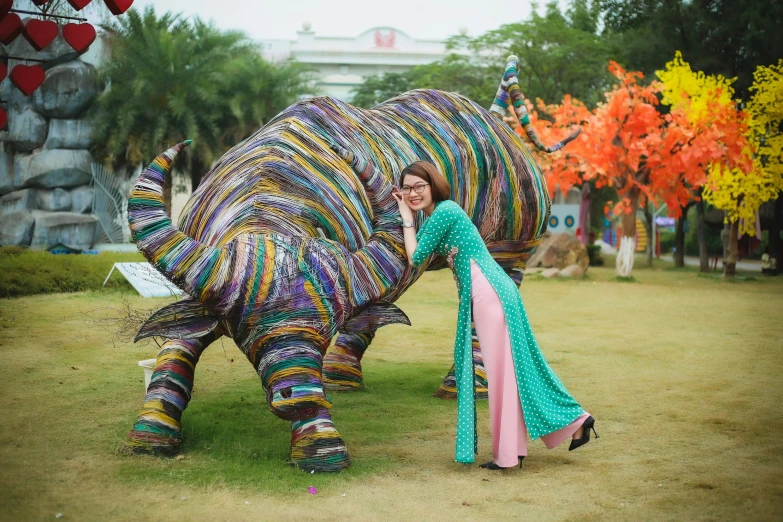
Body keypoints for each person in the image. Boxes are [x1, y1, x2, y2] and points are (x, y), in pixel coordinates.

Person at [391, 161, 598, 470]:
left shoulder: (444, 211)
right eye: (406, 188)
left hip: (488, 293)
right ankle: (567, 427)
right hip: (491, 291)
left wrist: (406, 219)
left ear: (433, 185)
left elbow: (416, 257)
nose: (413, 193)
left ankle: (512, 453)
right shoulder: (440, 214)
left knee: (503, 373)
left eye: (419, 186)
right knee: (513, 370)